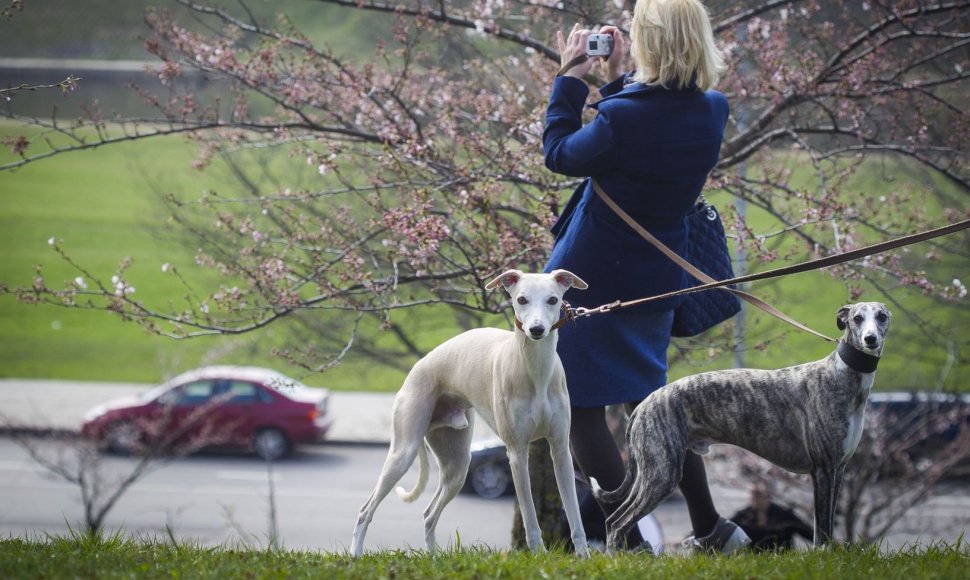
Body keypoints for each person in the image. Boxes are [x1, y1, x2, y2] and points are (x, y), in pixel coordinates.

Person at [542, 0, 749, 552]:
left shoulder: (623, 117)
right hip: (658, 280)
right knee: (654, 409)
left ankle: (626, 537)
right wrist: (619, 83)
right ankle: (711, 528)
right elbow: (643, 132)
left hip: (592, 283)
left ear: (648, 41)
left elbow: (561, 153)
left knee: (581, 409)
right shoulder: (713, 108)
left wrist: (569, 81)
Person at [730, 482, 814, 551]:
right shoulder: (743, 516)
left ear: (768, 496)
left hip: (782, 557)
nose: (755, 498)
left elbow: (809, 533)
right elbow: (726, 531)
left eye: (758, 494)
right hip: (752, 559)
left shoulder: (784, 514)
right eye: (752, 494)